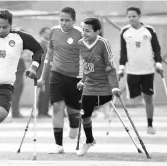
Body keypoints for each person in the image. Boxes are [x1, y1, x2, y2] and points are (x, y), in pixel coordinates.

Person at [38, 7, 83, 153]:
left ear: (74, 21)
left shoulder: (80, 34)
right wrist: (42, 78)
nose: (64, 23)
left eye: (67, 20)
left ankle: (74, 124)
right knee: (57, 107)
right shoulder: (53, 31)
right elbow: (49, 55)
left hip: (75, 77)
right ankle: (58, 145)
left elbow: (86, 57)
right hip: (56, 74)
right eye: (61, 20)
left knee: (73, 110)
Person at [76, 17, 121, 156]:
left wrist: (114, 86)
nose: (84, 33)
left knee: (91, 107)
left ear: (97, 31)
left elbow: (110, 67)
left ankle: (97, 109)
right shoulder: (80, 43)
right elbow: (85, 64)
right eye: (83, 30)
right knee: (84, 115)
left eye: (88, 31)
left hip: (105, 85)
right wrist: (83, 80)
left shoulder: (103, 43)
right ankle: (89, 140)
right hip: (89, 85)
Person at [118, 7, 162, 135]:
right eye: (129, 16)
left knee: (148, 98)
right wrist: (121, 67)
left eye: (134, 16)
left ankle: (150, 124)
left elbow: (156, 48)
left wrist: (158, 63)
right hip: (132, 71)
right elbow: (123, 52)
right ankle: (132, 123)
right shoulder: (124, 31)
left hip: (147, 71)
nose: (131, 19)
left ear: (139, 16)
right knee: (133, 99)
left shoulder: (149, 30)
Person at [37, 27, 51, 118]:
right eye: (47, 33)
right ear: (42, 33)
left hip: (48, 72)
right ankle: (41, 112)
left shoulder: (47, 43)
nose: (48, 34)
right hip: (42, 71)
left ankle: (45, 111)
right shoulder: (40, 44)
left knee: (47, 92)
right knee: (42, 92)